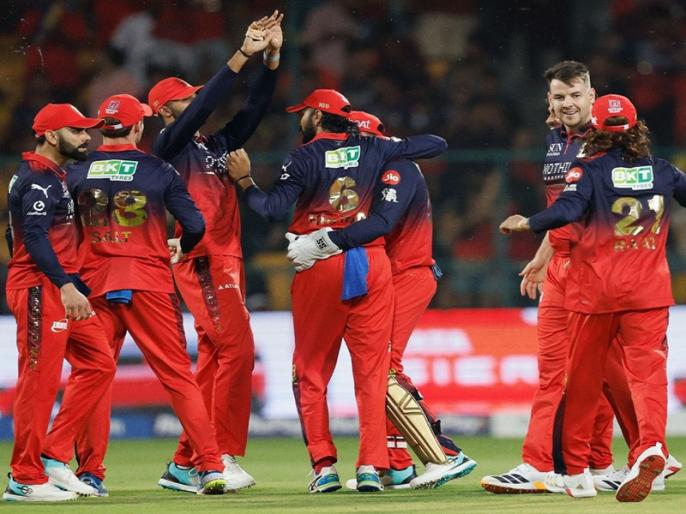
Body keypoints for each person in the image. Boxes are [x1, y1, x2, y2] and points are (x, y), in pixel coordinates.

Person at [226, 88, 448, 493]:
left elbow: (271, 210)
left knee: (310, 371)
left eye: (303, 113)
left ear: (316, 116)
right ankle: (370, 467)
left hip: (320, 262)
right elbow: (436, 144)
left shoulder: (302, 156)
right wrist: (388, 143)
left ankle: (324, 467)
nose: (300, 120)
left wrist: (244, 181)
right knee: (372, 372)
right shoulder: (375, 148)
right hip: (371, 262)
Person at [481, 60, 680, 495]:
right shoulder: (559, 138)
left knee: (574, 370)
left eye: (575, 95)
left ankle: (551, 464)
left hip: (592, 269)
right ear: (549, 101)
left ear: (593, 97)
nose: (568, 103)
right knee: (597, 372)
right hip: (574, 264)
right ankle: (614, 457)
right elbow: (565, 206)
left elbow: (574, 207)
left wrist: (531, 227)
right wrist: (543, 255)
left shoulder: (605, 144)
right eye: (559, 96)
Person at [43, 93, 227, 496]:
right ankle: (211, 466)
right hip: (149, 282)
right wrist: (181, 245)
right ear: (139, 126)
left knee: (92, 376)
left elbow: (58, 231)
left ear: (101, 128)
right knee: (179, 377)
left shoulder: (75, 172)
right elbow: (195, 224)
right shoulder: (159, 170)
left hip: (92, 285)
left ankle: (89, 473)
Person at [286, 110, 476, 490]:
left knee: (383, 370)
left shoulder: (396, 170)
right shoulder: (381, 170)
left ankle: (443, 454)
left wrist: (324, 241)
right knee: (378, 369)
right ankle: (396, 463)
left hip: (405, 275)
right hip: (389, 274)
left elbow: (381, 224)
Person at [146, 11, 283, 492]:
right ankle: (219, 457)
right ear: (166, 110)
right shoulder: (168, 144)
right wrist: (243, 53)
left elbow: (254, 111)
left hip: (226, 257)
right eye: (185, 98)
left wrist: (271, 60)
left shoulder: (212, 145)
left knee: (213, 360)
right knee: (238, 350)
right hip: (203, 257)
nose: (195, 100)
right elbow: (205, 107)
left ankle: (186, 462)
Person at [3, 104, 116, 502]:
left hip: (58, 287)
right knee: (39, 382)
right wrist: (65, 285)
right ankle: (24, 478)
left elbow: (15, 235)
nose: (87, 137)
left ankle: (52, 455)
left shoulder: (51, 176)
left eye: (86, 130)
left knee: (99, 363)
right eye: (77, 131)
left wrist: (68, 283)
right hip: (43, 288)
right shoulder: (38, 179)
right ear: (51, 136)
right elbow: (33, 238)